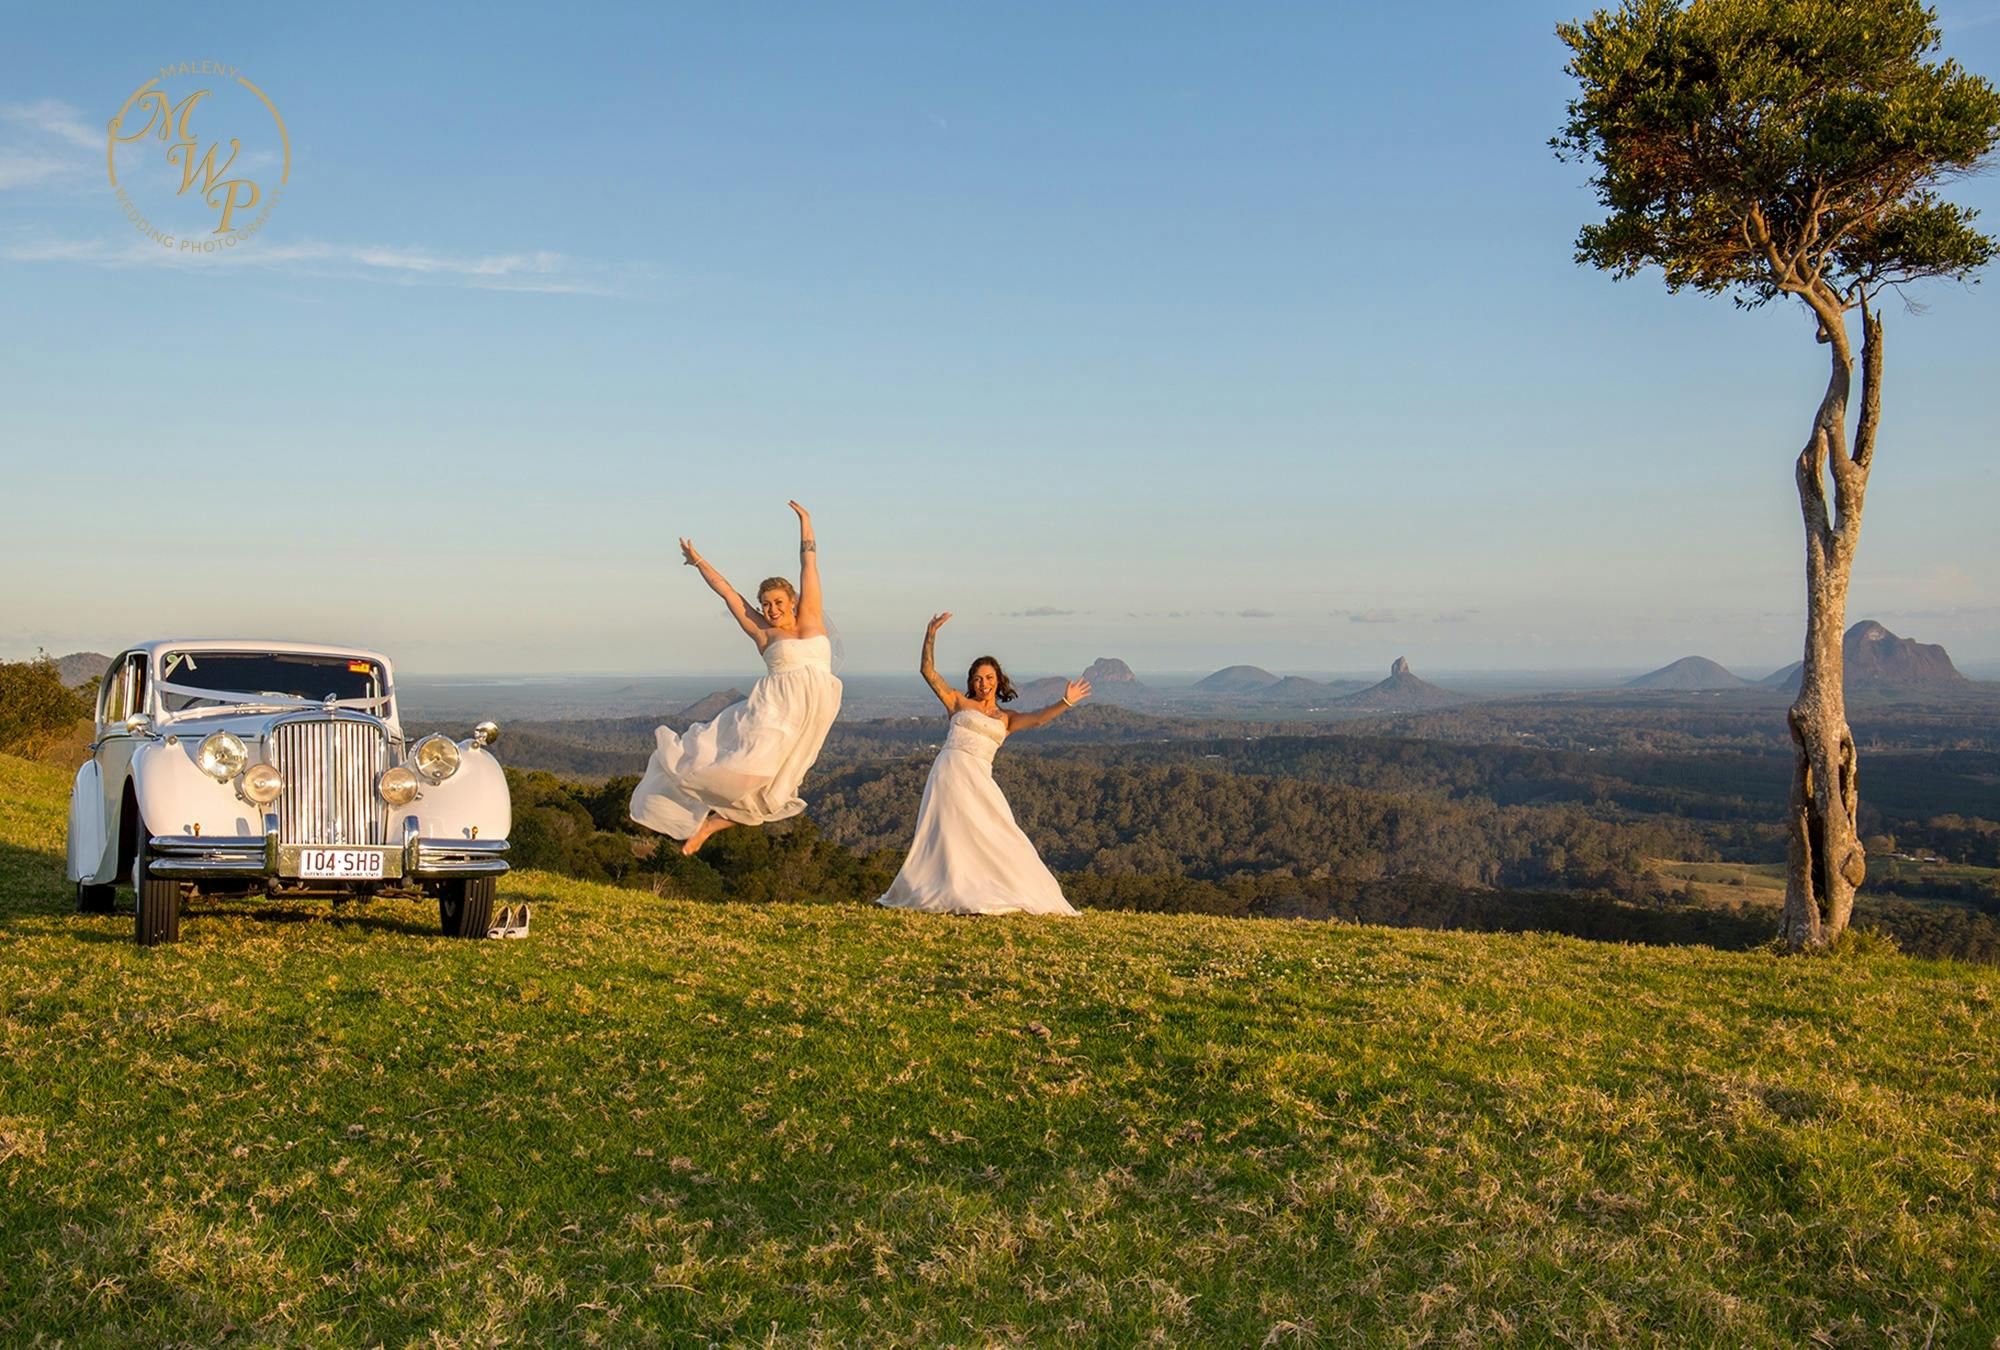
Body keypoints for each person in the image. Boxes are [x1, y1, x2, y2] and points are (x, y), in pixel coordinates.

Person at [629, 501, 842, 855]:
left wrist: (805, 521)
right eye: (765, 604)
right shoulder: (764, 634)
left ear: (792, 601)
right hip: (774, 713)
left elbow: (809, 563)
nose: (771, 609)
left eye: (777, 602)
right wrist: (698, 562)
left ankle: (712, 824)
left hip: (814, 713)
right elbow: (727, 592)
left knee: (776, 792)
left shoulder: (812, 618)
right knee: (742, 772)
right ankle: (697, 816)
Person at [877, 612, 1090, 915]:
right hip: (948, 772)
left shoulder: (1007, 718)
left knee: (998, 829)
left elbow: (1040, 718)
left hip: (979, 776)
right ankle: (947, 889)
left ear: (998, 681)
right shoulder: (958, 703)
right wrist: (930, 634)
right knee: (949, 833)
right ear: (971, 683)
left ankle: (999, 888)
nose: (983, 683)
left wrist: (1065, 701)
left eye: (989, 678)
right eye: (978, 678)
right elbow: (927, 671)